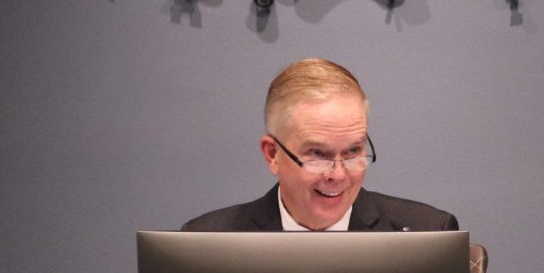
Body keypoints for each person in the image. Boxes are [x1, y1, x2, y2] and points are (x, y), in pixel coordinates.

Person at [183, 58, 457, 233]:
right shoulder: (204, 243)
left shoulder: (428, 233)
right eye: (317, 154)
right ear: (273, 155)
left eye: (353, 152)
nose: (337, 175)